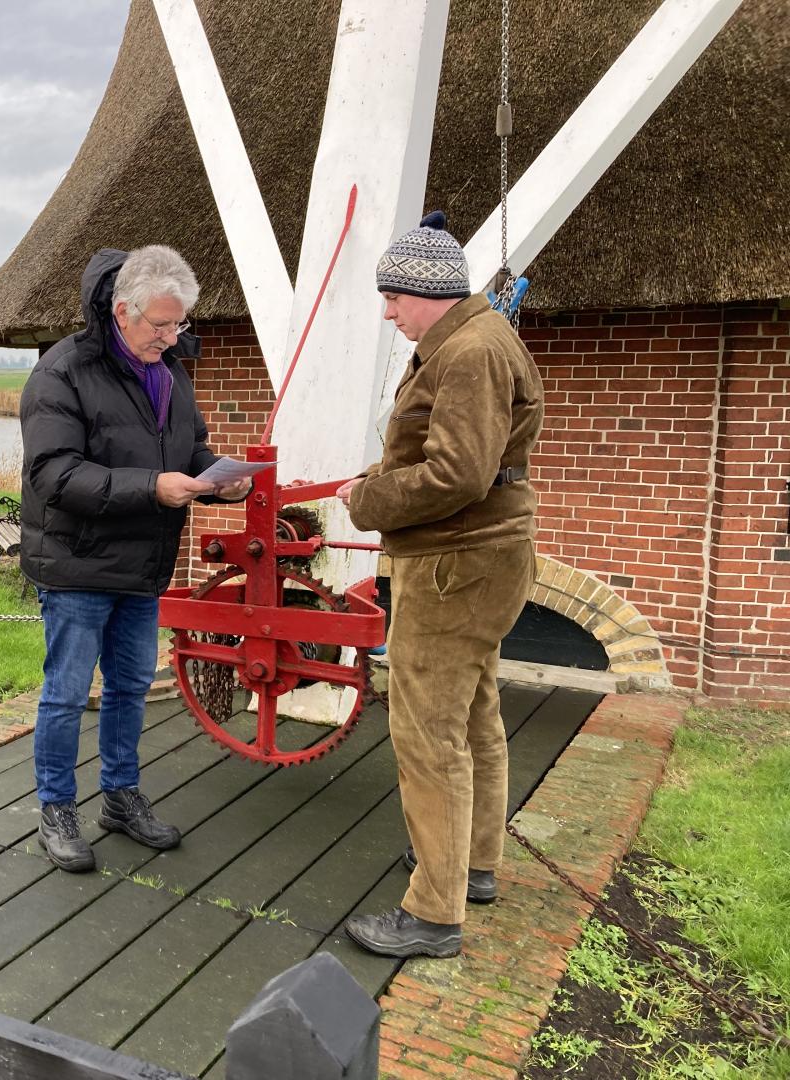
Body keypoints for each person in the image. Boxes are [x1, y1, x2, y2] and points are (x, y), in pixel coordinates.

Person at [336, 211, 544, 958]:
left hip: (458, 564)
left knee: (427, 732)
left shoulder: (469, 353)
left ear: (425, 291)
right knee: (474, 715)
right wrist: (379, 477)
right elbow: (448, 454)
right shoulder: (468, 340)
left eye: (393, 297)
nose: (387, 312)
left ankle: (432, 912)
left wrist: (368, 501)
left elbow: (457, 474)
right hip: (479, 557)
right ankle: (471, 868)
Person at [18, 244, 251, 873]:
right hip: (76, 563)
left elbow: (191, 446)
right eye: (161, 325)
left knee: (129, 688)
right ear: (123, 311)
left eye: (179, 325)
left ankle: (120, 797)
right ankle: (56, 809)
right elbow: (53, 474)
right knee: (66, 693)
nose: (172, 337)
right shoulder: (60, 373)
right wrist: (150, 487)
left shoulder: (170, 370)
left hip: (143, 560)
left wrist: (222, 476)